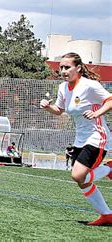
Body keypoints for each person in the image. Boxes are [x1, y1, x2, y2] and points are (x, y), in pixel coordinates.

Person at [40, 52, 112, 226]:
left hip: (97, 136)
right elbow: (59, 110)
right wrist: (48, 107)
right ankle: (107, 215)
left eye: (67, 67)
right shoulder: (63, 88)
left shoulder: (89, 85)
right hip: (80, 138)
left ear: (78, 68)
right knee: (82, 181)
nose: (63, 71)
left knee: (78, 175)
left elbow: (110, 100)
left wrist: (97, 113)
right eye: (61, 68)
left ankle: (109, 169)